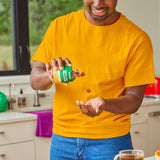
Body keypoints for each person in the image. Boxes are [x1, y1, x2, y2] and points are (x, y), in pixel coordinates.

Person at [30, 0, 155, 159]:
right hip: (62, 141)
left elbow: (134, 99)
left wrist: (105, 104)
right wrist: (51, 75)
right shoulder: (59, 27)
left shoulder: (137, 39)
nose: (98, 3)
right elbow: (35, 79)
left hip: (111, 141)